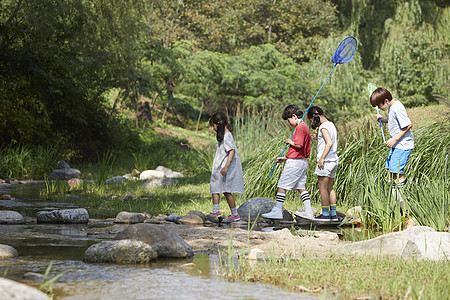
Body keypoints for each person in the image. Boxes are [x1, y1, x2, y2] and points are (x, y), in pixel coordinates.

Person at [262, 105, 314, 220]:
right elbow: (299, 151)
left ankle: (277, 210)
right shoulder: (304, 127)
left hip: (295, 163)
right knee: (301, 187)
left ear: (294, 116)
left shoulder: (300, 127)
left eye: (289, 120)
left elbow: (299, 145)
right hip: (301, 161)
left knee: (282, 185)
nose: (289, 123)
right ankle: (309, 211)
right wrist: (285, 157)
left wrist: (290, 141)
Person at [370, 88, 414, 206]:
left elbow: (408, 125)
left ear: (386, 101)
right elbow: (396, 121)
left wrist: (394, 139)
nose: (379, 109)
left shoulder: (397, 107)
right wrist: (384, 120)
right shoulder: (392, 107)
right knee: (391, 170)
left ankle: (400, 201)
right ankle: (392, 198)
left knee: (397, 172)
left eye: (379, 106)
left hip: (402, 145)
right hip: (398, 144)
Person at [209, 112, 244, 222]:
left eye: (213, 126)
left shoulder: (227, 136)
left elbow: (231, 151)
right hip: (220, 167)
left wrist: (226, 167)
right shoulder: (225, 135)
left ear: (217, 124)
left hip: (223, 168)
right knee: (219, 189)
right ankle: (224, 211)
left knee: (222, 189)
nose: (213, 128)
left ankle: (230, 213)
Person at [307, 106, 339, 222]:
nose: (313, 123)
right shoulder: (331, 124)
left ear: (315, 117)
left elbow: (329, 143)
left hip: (326, 161)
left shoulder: (323, 127)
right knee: (330, 188)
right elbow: (328, 140)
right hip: (334, 160)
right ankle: (333, 214)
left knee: (323, 189)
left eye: (311, 120)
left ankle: (325, 214)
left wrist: (321, 158)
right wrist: (317, 138)